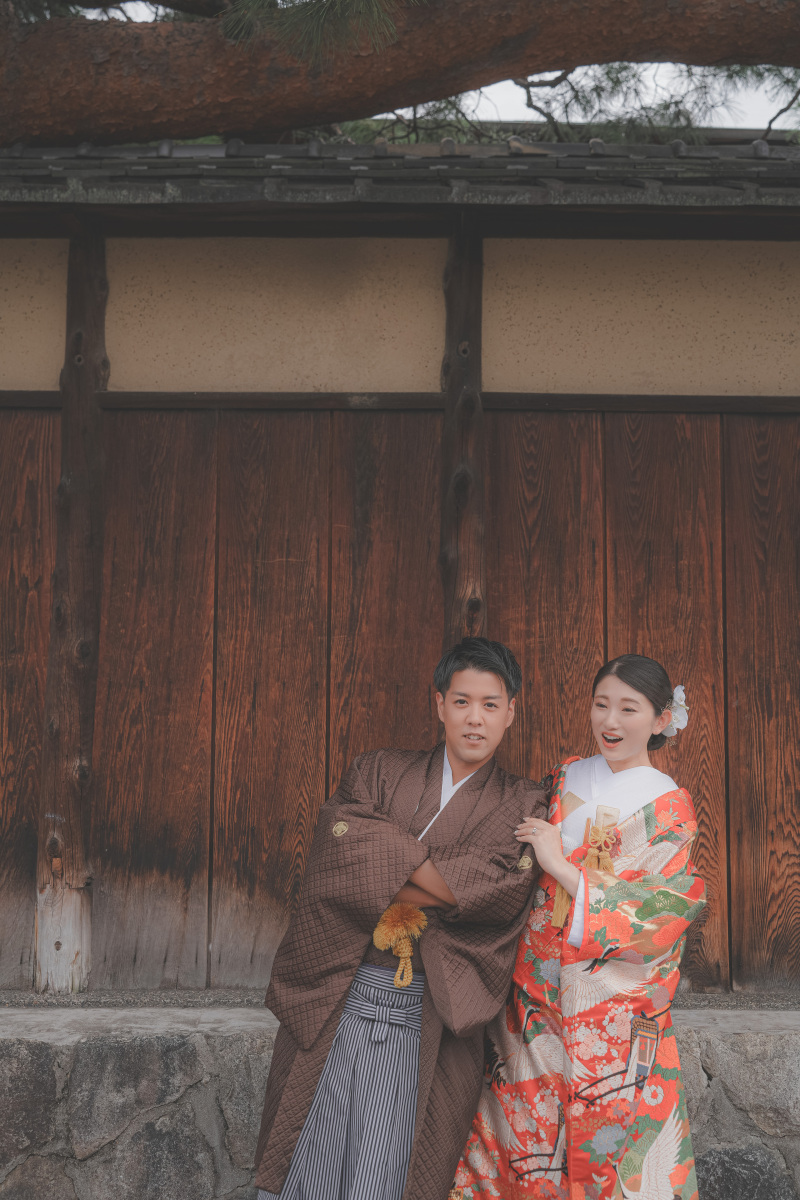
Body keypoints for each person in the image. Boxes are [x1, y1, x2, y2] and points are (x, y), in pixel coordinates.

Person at [254, 637, 549, 1200]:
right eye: (462, 701)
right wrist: (442, 877)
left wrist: (384, 870)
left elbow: (498, 887)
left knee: (393, 1163)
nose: (475, 718)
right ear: (439, 704)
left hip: (432, 1006)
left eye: (490, 705)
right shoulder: (378, 772)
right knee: (311, 1147)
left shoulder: (525, 802)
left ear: (511, 712)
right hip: (345, 989)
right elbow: (338, 850)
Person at [453, 653, 707, 1200]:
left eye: (628, 709)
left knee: (608, 1142)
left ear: (661, 719)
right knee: (522, 1129)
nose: (610, 721)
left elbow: (660, 911)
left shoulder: (669, 807)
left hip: (610, 1006)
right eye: (601, 705)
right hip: (532, 991)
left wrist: (562, 867)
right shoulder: (567, 774)